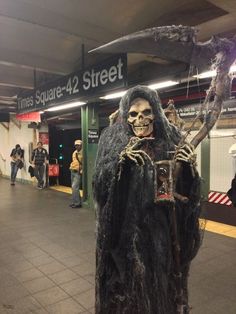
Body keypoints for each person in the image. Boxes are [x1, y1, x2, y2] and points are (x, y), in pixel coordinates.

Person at [93, 86, 202, 314]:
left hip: (160, 236)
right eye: (133, 114)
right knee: (127, 292)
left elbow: (182, 196)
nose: (140, 119)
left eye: (146, 112)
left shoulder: (169, 140)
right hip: (125, 238)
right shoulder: (113, 140)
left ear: (156, 113)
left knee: (159, 290)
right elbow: (100, 187)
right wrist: (121, 165)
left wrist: (190, 170)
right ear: (126, 116)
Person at [69, 139, 83, 208]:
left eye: (78, 145)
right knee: (73, 187)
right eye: (76, 145)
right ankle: (74, 202)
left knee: (75, 187)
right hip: (72, 170)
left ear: (81, 145)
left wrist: (82, 170)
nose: (77, 147)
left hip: (78, 172)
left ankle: (78, 203)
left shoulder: (83, 153)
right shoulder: (74, 152)